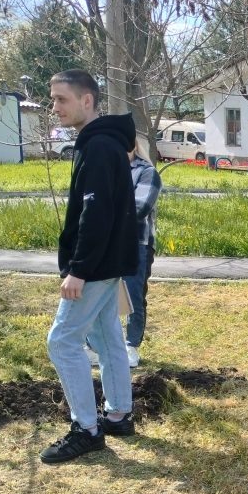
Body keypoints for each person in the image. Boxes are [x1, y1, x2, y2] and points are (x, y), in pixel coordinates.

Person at [40, 69, 139, 464]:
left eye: (61, 99)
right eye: (53, 100)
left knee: (62, 342)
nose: (54, 107)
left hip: (95, 267)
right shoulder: (102, 144)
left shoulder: (99, 147)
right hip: (108, 263)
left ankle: (87, 428)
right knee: (108, 338)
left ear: (87, 101)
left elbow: (94, 215)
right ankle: (118, 414)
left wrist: (77, 269)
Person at [85, 140, 162, 368]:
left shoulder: (147, 173)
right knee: (97, 295)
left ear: (132, 146)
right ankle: (94, 347)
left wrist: (104, 212)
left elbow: (139, 208)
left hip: (136, 244)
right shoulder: (104, 171)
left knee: (133, 296)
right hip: (103, 244)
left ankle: (130, 346)